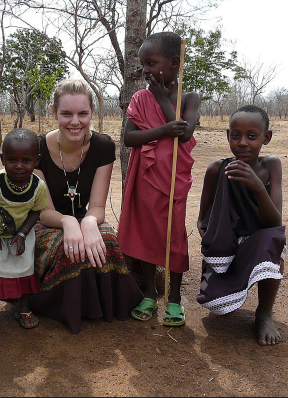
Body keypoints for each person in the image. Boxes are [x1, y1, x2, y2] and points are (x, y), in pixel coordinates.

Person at [29, 79, 143, 334]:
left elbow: (98, 206)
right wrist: (69, 223)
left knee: (108, 241)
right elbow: (44, 211)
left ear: (93, 112)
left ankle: (104, 306)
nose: (75, 122)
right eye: (66, 114)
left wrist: (89, 222)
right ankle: (62, 307)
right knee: (68, 247)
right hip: (44, 223)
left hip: (84, 218)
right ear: (53, 112)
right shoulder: (36, 147)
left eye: (83, 114)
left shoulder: (103, 146)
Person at [116, 32, 200, 327]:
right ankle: (151, 293)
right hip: (145, 179)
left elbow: (184, 133)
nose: (146, 70)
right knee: (146, 234)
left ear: (175, 63)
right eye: (143, 64)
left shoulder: (189, 97)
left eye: (152, 63)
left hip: (174, 181)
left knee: (173, 237)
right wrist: (161, 131)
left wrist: (164, 100)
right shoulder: (140, 98)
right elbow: (128, 138)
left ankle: (174, 300)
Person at [196, 105, 285, 346]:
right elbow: (202, 219)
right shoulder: (217, 169)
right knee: (216, 304)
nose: (243, 142)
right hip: (226, 247)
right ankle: (226, 282)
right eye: (236, 136)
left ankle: (264, 313)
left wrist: (257, 185)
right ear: (228, 136)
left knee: (274, 242)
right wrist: (216, 240)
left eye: (252, 136)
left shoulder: (271, 166)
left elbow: (275, 222)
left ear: (266, 138)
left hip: (259, 242)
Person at [0, 128, 48, 331]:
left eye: (26, 160)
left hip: (21, 236)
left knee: (25, 270)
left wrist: (23, 234)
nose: (19, 166)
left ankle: (23, 308)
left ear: (37, 160)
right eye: (12, 160)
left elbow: (36, 211)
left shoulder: (39, 187)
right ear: (2, 159)